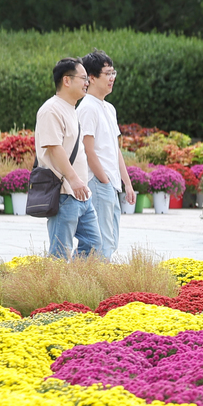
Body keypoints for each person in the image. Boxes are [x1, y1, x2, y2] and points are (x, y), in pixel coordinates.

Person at [35, 57, 100, 259]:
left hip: (81, 194)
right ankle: (56, 289)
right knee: (59, 253)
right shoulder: (51, 109)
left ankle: (77, 286)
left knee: (93, 246)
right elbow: (54, 148)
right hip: (64, 193)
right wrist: (73, 179)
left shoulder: (71, 109)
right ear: (67, 80)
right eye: (83, 78)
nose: (87, 83)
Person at [77, 50, 134, 259]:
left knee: (110, 240)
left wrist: (126, 183)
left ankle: (90, 282)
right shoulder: (87, 108)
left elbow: (114, 148)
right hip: (99, 183)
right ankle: (92, 286)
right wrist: (104, 181)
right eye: (107, 73)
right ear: (91, 78)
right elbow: (87, 150)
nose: (112, 78)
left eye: (113, 73)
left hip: (110, 185)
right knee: (100, 244)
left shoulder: (109, 108)